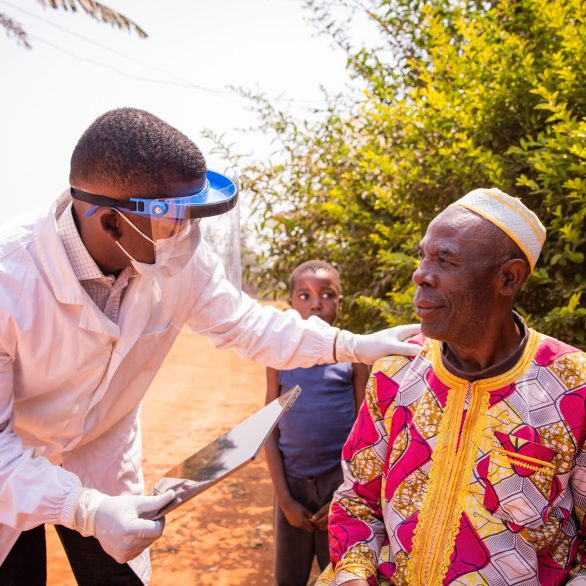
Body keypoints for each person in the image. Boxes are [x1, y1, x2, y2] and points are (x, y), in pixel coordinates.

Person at [0, 108, 421, 586]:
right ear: (113, 222)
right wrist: (85, 510)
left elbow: (248, 324)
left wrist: (351, 345)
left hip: (100, 459)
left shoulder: (176, 259)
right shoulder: (9, 280)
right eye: (173, 218)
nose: (188, 233)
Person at [317, 187, 586, 586]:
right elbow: (358, 500)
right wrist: (354, 576)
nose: (421, 274)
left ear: (508, 278)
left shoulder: (573, 387)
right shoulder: (396, 368)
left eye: (445, 260)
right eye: (424, 255)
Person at [265, 260, 370, 586]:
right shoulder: (279, 356)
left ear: (339, 302)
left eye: (327, 294)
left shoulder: (352, 356)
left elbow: (364, 432)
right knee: (289, 577)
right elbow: (269, 428)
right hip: (291, 486)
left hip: (337, 487)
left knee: (337, 575)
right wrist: (284, 499)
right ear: (292, 303)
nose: (316, 303)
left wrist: (342, 494)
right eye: (304, 295)